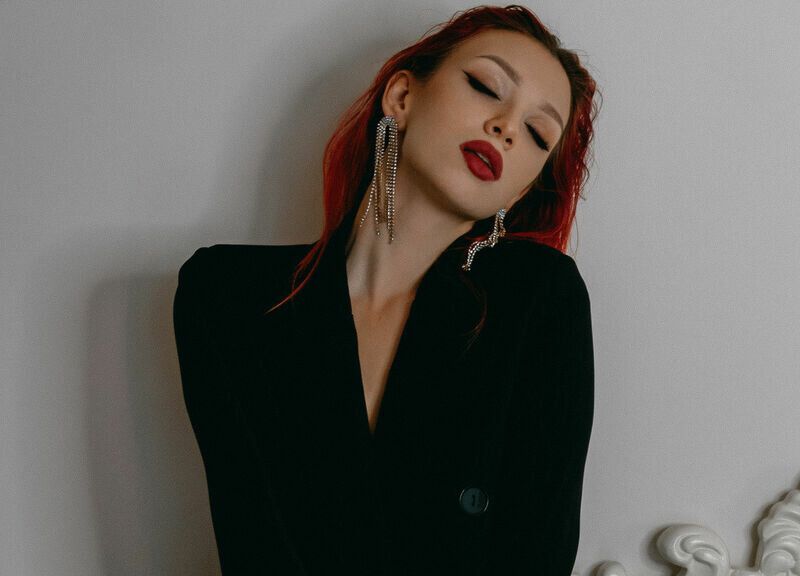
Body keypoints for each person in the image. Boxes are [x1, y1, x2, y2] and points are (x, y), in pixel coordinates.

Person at [172, 4, 600, 575]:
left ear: (520, 191)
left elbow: (537, 554)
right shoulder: (226, 295)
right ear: (401, 96)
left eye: (537, 134)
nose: (505, 127)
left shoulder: (539, 298)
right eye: (485, 86)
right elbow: (249, 534)